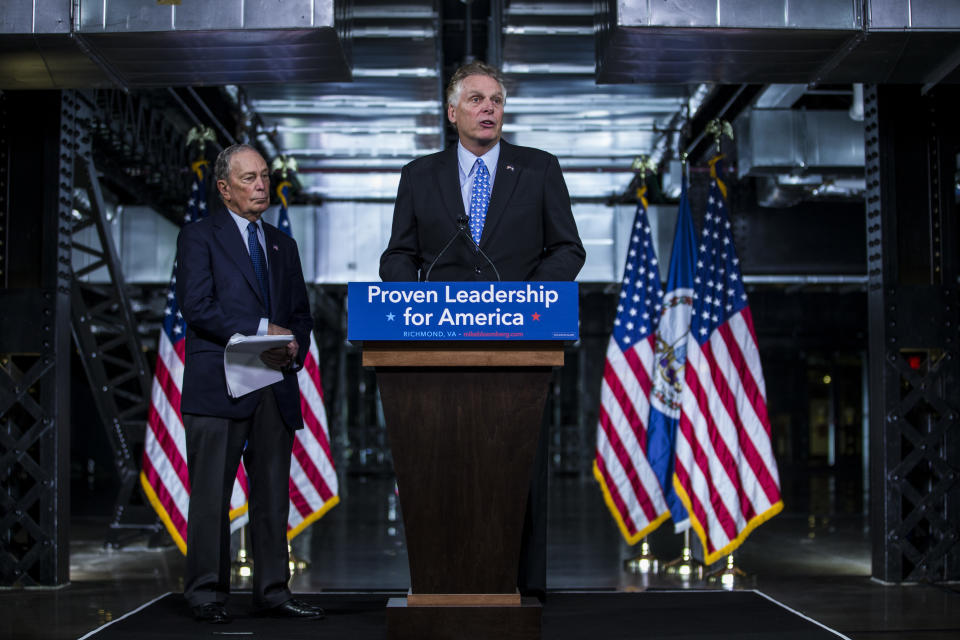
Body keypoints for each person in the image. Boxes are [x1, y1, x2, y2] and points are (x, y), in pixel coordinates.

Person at [379, 62, 585, 600]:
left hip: (518, 352)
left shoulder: (539, 169)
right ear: (452, 113)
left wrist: (525, 298)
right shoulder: (418, 175)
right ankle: (440, 587)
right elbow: (398, 255)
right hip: (436, 349)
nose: (489, 107)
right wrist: (415, 298)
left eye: (496, 99)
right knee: (443, 470)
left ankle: (523, 591)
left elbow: (567, 248)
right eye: (476, 99)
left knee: (514, 476)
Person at [175, 143, 323, 624]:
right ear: (223, 189)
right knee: (211, 499)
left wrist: (293, 343)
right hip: (217, 385)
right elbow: (198, 308)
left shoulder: (283, 245)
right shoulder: (199, 236)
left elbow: (300, 314)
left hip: (272, 383)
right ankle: (205, 594)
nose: (261, 186)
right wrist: (263, 330)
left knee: (272, 498)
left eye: (264, 177)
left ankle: (273, 592)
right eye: (249, 179)